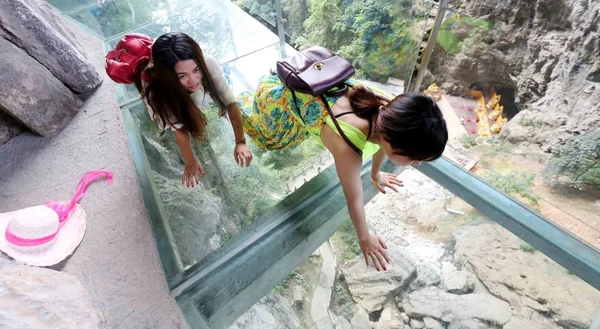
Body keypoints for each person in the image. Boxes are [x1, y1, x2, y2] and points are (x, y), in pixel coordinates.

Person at [239, 71, 448, 271]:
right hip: (276, 101)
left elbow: (381, 143)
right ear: (392, 141)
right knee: (268, 138)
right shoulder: (348, 145)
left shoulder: (391, 110)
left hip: (304, 86)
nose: (417, 163)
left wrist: (375, 175)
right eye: (415, 158)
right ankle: (230, 104)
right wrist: (365, 238)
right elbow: (353, 199)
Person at [134, 32, 253, 187]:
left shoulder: (207, 62)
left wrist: (241, 141)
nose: (193, 80)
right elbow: (178, 127)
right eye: (182, 75)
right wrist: (190, 160)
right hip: (165, 89)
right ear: (169, 77)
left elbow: (229, 102)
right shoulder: (155, 89)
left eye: (196, 70)